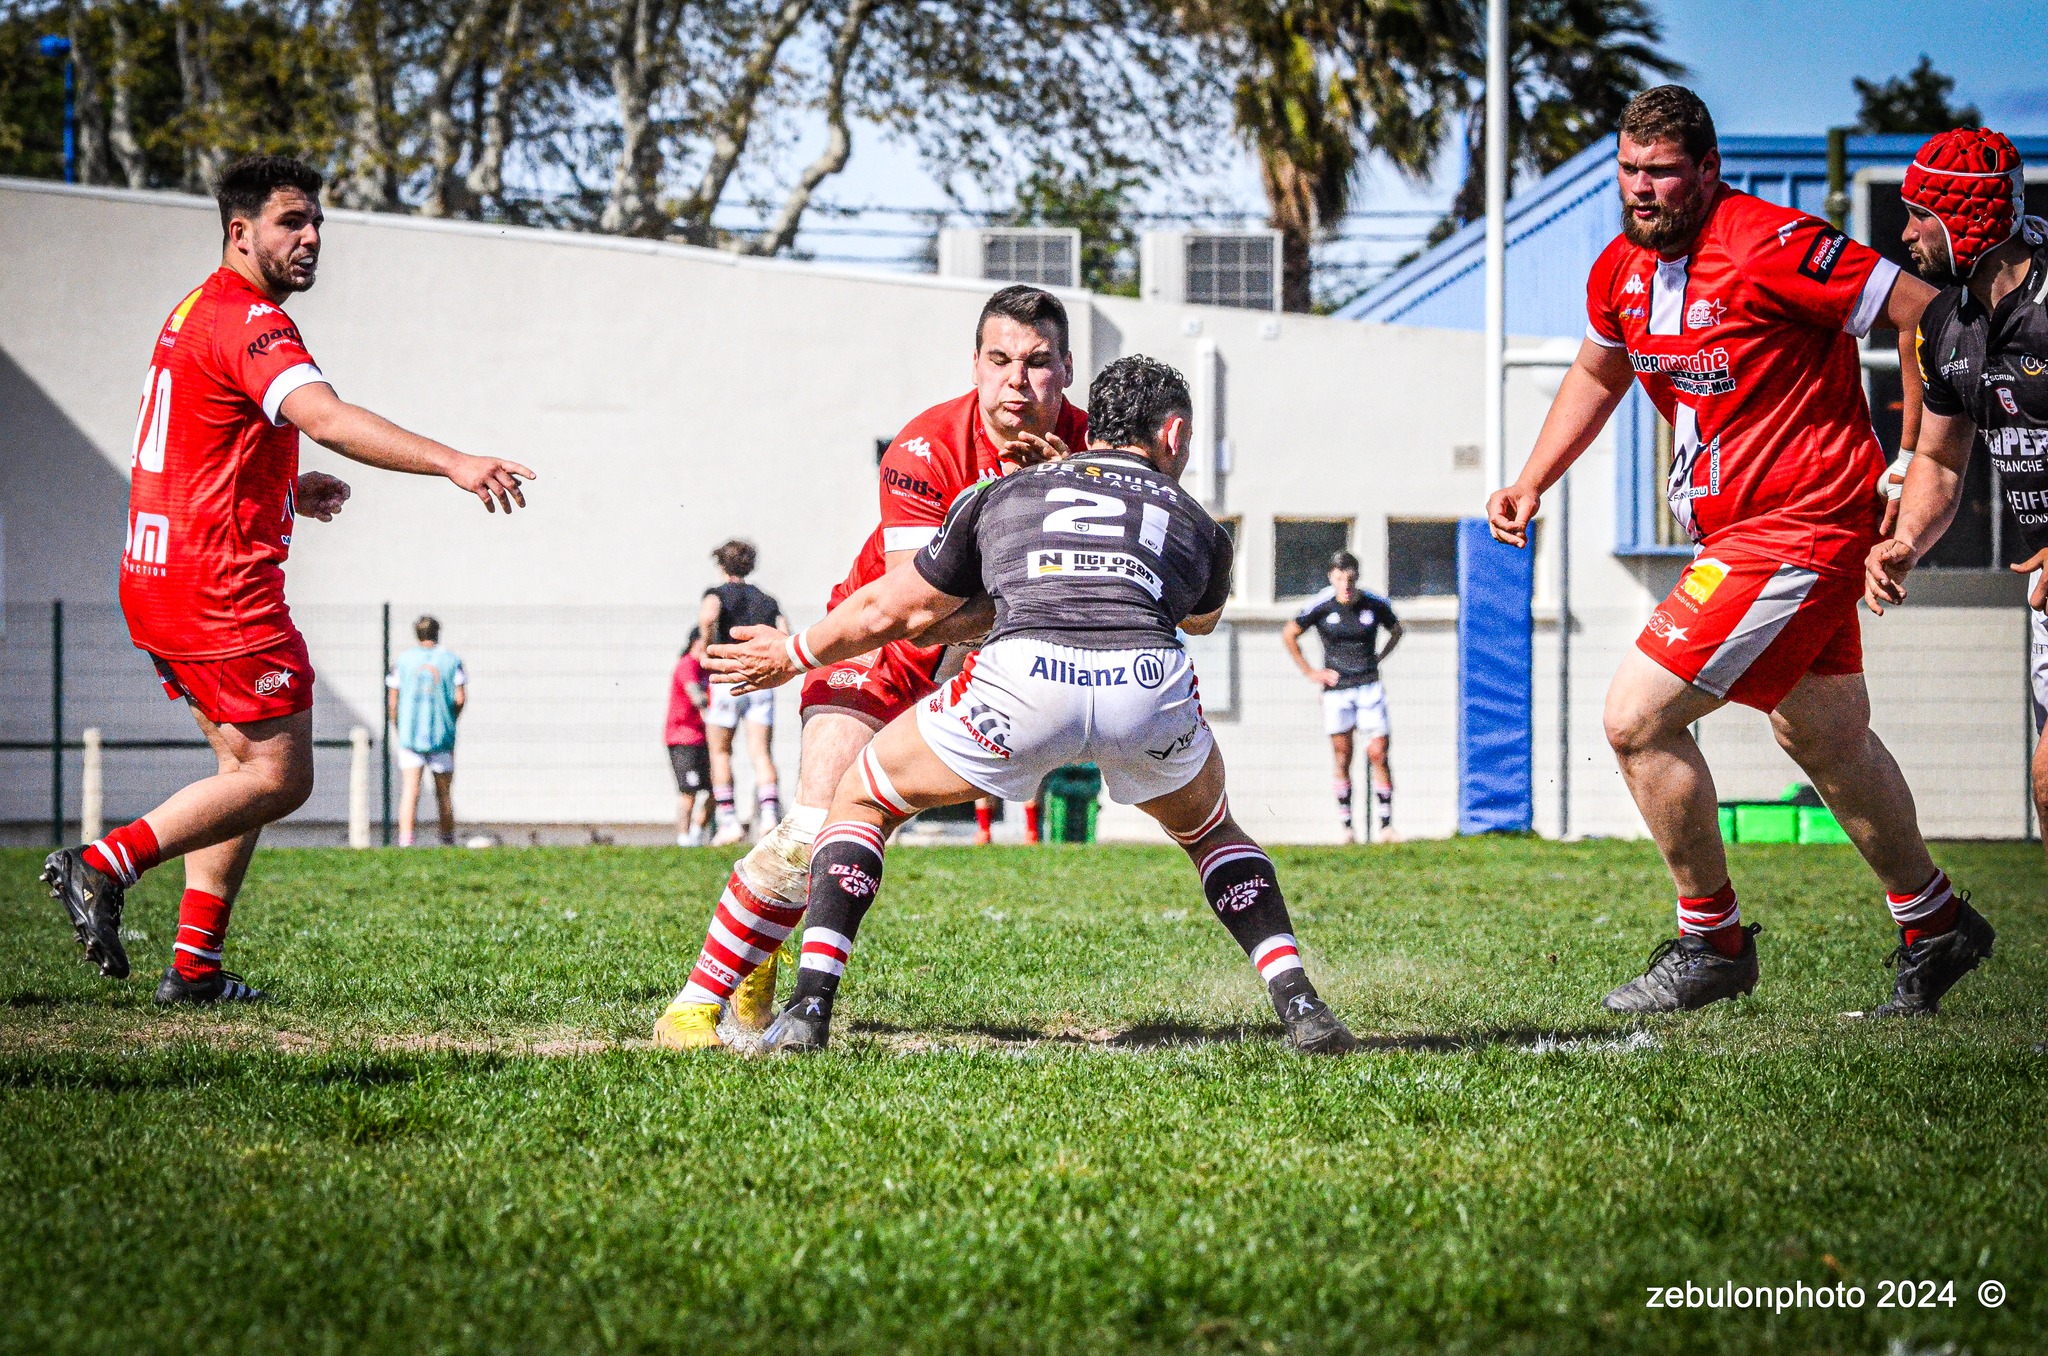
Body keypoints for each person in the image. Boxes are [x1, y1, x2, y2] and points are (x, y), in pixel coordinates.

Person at [1484, 87, 1984, 1018]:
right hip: (1739, 532)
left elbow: (1928, 317)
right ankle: (1937, 922)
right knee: (1823, 734)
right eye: (1629, 171)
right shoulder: (1620, 272)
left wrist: (1916, 460)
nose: (1643, 190)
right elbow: (1600, 372)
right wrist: (1532, 477)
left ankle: (1711, 942)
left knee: (1636, 718)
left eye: (1662, 171)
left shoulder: (1772, 242)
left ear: (1707, 170)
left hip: (1802, 525)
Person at [708, 355, 1356, 1054]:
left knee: (861, 799)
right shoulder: (1196, 520)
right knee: (1213, 833)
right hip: (1145, 685)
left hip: (1024, 681)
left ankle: (808, 1009)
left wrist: (795, 652)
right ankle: (1301, 1003)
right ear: (1173, 433)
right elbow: (1198, 619)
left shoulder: (1000, 493)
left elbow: (899, 610)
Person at [40, 154, 534, 1004]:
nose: (310, 240)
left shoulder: (196, 309)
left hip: (159, 573)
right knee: (280, 777)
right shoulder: (250, 321)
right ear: (241, 232)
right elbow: (328, 417)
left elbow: (198, 436)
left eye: (316, 226)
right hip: (216, 590)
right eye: (290, 224)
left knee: (238, 771)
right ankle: (101, 864)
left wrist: (279, 488)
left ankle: (193, 968)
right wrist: (454, 461)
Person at [652, 285, 1087, 1049]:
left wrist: (1068, 500)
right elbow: (913, 611)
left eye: (1038, 362)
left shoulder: (1091, 452)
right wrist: (1033, 526)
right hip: (876, 645)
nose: (1017, 380)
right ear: (975, 365)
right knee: (814, 831)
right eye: (999, 360)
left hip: (994, 662)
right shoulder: (924, 446)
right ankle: (692, 1004)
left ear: (1068, 369)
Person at [1868, 126, 2040, 979]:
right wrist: (1903, 541)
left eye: (1917, 216)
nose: (1905, 236)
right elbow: (1938, 458)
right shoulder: (1953, 326)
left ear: (1964, 220)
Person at [1281, 550, 1403, 841]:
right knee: (1343, 755)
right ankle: (1347, 828)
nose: (1345, 584)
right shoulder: (1321, 605)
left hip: (1368, 684)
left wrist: (1379, 657)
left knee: (1378, 752)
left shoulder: (1374, 604)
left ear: (1356, 577)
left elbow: (1397, 630)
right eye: (1339, 578)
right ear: (1331, 578)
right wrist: (1312, 672)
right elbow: (1289, 633)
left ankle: (1386, 826)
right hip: (1337, 689)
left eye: (1349, 577)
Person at [700, 540, 786, 845]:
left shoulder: (717, 594)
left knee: (721, 751)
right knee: (761, 753)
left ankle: (728, 822)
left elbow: (709, 617)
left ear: (722, 565)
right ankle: (769, 818)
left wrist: (707, 645)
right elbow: (784, 632)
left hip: (726, 677)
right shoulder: (767, 599)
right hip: (760, 681)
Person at [386, 614, 466, 847]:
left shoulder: (403, 661)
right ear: (437, 633)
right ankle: (447, 840)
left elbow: (393, 701)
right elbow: (460, 698)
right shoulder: (452, 660)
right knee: (444, 792)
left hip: (410, 735)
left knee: (411, 790)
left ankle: (406, 842)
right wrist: (450, 720)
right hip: (442, 734)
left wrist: (399, 725)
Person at [667, 628, 714, 846]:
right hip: (683, 737)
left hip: (704, 737)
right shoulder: (687, 665)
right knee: (689, 791)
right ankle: (683, 839)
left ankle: (696, 835)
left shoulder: (708, 669)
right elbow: (697, 697)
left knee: (716, 791)